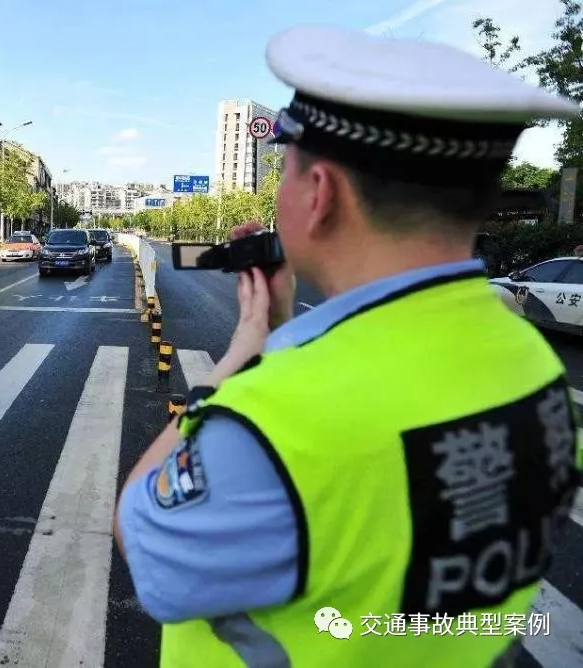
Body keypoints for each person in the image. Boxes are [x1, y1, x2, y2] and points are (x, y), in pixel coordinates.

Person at [113, 24, 583, 668]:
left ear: (320, 193)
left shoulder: (276, 418)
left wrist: (240, 358)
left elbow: (143, 544)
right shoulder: (533, 362)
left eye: (285, 171)